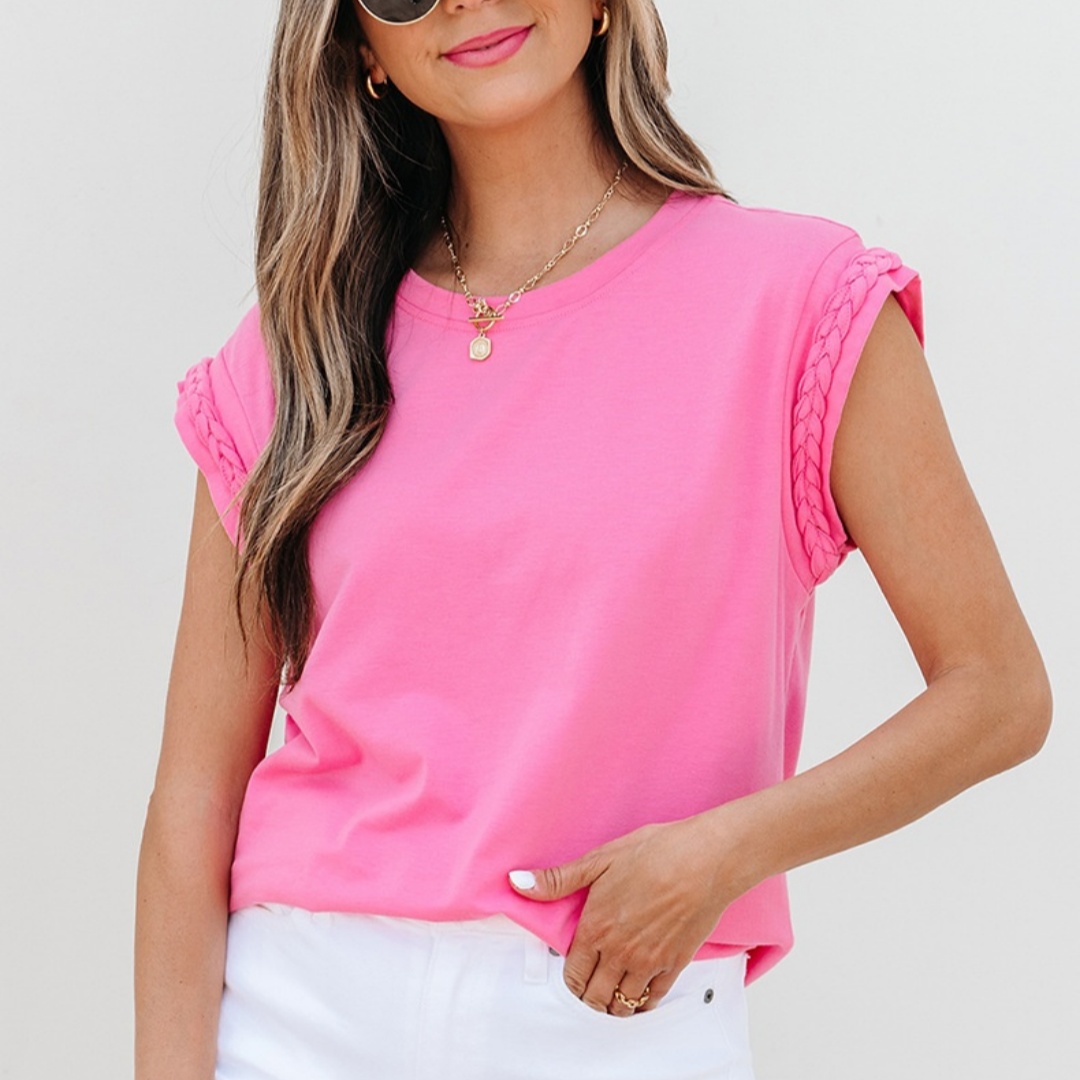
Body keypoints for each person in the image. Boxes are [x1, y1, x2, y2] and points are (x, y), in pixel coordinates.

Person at [134, 2, 1052, 1078]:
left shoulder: (796, 301)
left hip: (612, 1013)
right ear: (362, 51)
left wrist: (723, 851)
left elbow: (998, 691)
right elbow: (193, 804)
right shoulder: (296, 359)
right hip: (297, 1015)